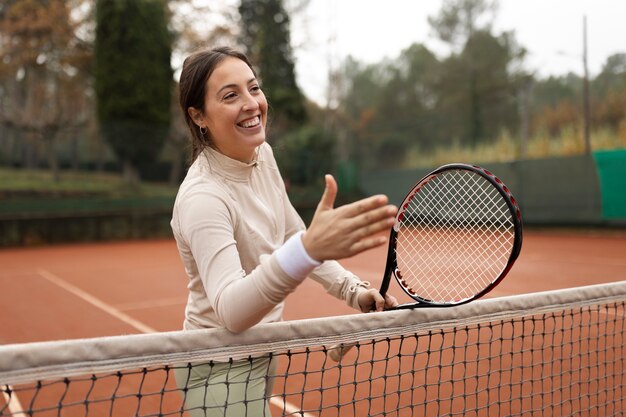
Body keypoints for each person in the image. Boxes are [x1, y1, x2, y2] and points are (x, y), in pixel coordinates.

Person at [171, 46, 398, 416]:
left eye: (254, 88)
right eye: (230, 95)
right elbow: (231, 311)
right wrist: (307, 249)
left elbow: (294, 236)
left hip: (263, 348)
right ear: (199, 116)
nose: (251, 103)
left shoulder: (264, 157)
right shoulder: (203, 197)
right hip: (216, 365)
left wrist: (353, 290)